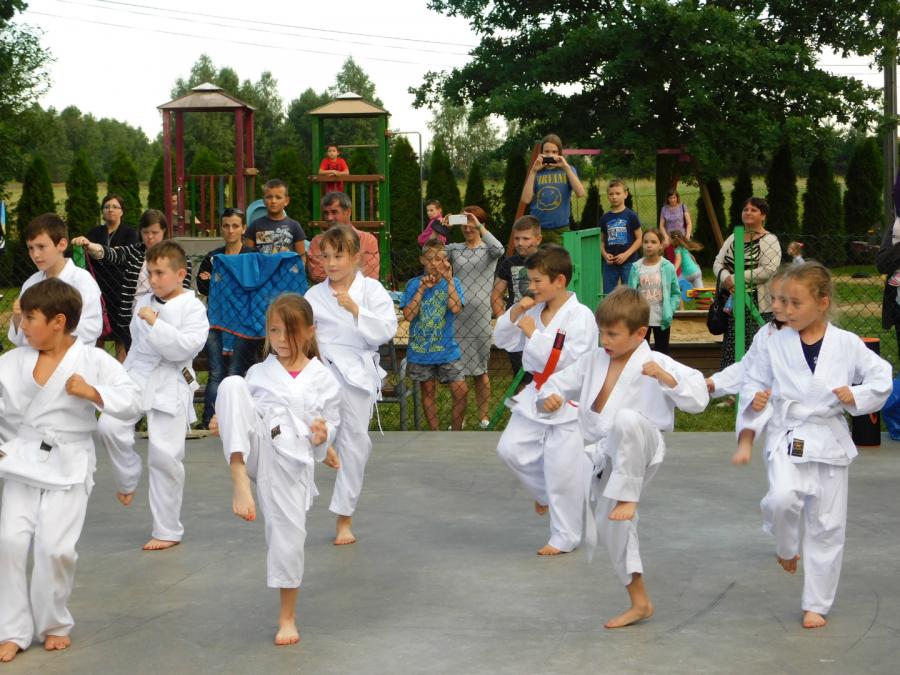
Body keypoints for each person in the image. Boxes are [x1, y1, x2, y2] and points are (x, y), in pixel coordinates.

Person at [538, 287, 708, 628]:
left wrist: (666, 379)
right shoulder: (593, 360)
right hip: (607, 455)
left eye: (612, 334)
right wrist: (549, 399)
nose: (604, 340)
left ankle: (629, 496)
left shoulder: (657, 362)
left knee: (627, 419)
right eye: (601, 332)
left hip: (644, 443)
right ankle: (640, 602)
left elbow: (699, 399)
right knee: (613, 528)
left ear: (640, 333)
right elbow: (554, 384)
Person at [739, 262, 891, 629]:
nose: (786, 311)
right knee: (782, 498)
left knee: (827, 524)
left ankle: (816, 604)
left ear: (822, 303)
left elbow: (881, 376)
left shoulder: (846, 343)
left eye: (796, 304)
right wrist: (756, 400)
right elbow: (753, 378)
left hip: (829, 438)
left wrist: (856, 394)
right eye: (784, 303)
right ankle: (786, 545)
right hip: (789, 433)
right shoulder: (774, 343)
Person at [0, 279, 141, 663]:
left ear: (58, 321)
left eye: (30, 318)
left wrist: (94, 393)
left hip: (69, 461)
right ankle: (11, 629)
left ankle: (54, 622)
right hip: (20, 460)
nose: (23, 325)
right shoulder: (12, 362)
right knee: (10, 542)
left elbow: (132, 400)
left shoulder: (93, 361)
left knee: (55, 548)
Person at [210, 294, 341, 647]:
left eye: (290, 332)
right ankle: (238, 476)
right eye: (274, 331)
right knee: (231, 385)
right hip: (256, 451)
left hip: (290, 462)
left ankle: (287, 617)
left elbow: (329, 424)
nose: (281, 340)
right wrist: (225, 419)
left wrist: (323, 438)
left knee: (289, 539)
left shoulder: (324, 379)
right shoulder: (258, 372)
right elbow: (243, 411)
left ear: (310, 332)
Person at [94, 241, 209, 552]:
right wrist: (121, 377)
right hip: (138, 375)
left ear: (181, 274)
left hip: (171, 379)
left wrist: (157, 324)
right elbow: (136, 348)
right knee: (108, 425)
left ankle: (167, 529)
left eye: (160, 273)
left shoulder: (193, 308)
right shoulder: (143, 301)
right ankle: (128, 473)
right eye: (150, 273)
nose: (153, 279)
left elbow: (184, 348)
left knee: (165, 457)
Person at [493, 244, 598, 555]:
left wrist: (533, 335)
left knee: (562, 469)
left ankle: (565, 536)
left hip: (567, 397)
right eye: (530, 280)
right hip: (536, 392)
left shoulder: (581, 316)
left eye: (538, 280)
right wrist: (517, 312)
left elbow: (573, 362)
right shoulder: (533, 312)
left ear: (560, 281)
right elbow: (502, 340)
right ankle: (543, 494)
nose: (532, 287)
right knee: (510, 449)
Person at [304, 225, 397, 546]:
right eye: (325, 256)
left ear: (356, 257)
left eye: (338, 256)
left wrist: (356, 310)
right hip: (321, 369)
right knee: (306, 427)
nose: (330, 263)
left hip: (356, 373)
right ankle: (323, 444)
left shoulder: (371, 290)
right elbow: (303, 336)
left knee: (356, 444)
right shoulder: (313, 296)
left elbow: (386, 330)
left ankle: (344, 517)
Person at [706, 265, 790, 464]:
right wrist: (715, 383)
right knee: (782, 483)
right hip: (780, 432)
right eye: (773, 299)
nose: (775, 306)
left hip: (825, 441)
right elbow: (747, 368)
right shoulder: (767, 333)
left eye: (785, 301)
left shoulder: (838, 341)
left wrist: (854, 394)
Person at [72, 209, 194, 343]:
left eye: (155, 232)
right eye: (145, 232)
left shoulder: (179, 257)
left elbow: (183, 289)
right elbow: (111, 253)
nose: (150, 237)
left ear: (164, 231)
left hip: (166, 319)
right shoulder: (134, 251)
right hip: (133, 320)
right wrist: (90, 245)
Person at [196, 208, 257, 429]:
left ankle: (237, 422)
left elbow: (254, 288)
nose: (230, 230)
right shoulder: (213, 257)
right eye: (226, 226)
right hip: (215, 322)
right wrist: (212, 282)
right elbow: (202, 286)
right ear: (221, 228)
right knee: (216, 373)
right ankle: (208, 423)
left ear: (243, 228)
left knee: (235, 373)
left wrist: (218, 280)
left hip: (243, 325)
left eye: (235, 226)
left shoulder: (252, 256)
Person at [444, 205, 504, 428]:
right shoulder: (455, 249)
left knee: (480, 370)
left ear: (480, 224)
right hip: (457, 316)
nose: (468, 228)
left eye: (472, 223)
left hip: (480, 317)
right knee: (457, 372)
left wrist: (478, 225)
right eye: (464, 223)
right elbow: (430, 252)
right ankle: (458, 419)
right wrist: (440, 227)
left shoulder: (488, 250)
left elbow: (500, 249)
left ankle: (483, 417)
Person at [401, 238, 468, 431]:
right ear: (422, 260)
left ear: (446, 261)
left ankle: (456, 431)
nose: (434, 264)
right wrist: (422, 289)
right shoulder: (413, 284)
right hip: (422, 350)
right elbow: (408, 315)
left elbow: (455, 308)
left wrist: (449, 280)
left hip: (447, 350)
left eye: (439, 259)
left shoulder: (453, 282)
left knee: (461, 390)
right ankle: (434, 433)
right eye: (430, 259)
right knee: (428, 391)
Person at [9, 214, 102, 348]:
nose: (35, 254)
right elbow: (20, 340)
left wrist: (47, 331)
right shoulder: (31, 283)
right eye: (31, 248)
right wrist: (18, 318)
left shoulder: (82, 281)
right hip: (35, 356)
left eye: (41, 246)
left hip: (72, 356)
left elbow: (92, 328)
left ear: (62, 244)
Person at [712, 197, 782, 369]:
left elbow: (768, 270)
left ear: (763, 216)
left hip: (758, 304)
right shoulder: (733, 237)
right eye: (746, 209)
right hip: (733, 302)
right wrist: (726, 279)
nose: (748, 212)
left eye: (754, 210)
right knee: (734, 346)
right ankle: (731, 383)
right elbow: (718, 262)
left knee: (757, 348)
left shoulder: (769, 240)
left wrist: (735, 278)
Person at [86, 193, 138, 360]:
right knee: (98, 334)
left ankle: (121, 370)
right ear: (102, 211)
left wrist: (104, 254)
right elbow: (88, 258)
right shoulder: (94, 233)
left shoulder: (130, 233)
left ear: (122, 211)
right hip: (98, 290)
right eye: (107, 207)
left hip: (121, 290)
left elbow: (128, 257)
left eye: (115, 207)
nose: (110, 210)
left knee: (120, 337)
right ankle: (97, 368)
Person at [491, 215, 543, 382]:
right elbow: (496, 295)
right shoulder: (509, 263)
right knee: (521, 378)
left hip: (541, 324)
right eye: (516, 238)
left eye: (525, 239)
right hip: (517, 327)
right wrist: (504, 321)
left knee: (543, 373)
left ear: (538, 239)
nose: (520, 243)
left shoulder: (547, 261)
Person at [520, 133, 586, 245]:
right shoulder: (536, 172)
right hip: (537, 229)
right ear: (541, 153)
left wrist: (566, 167)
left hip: (561, 229)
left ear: (560, 153)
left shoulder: (568, 170)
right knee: (538, 257)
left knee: (560, 257)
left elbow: (580, 193)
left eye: (554, 152)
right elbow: (525, 199)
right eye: (546, 151)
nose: (550, 155)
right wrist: (533, 171)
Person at [627, 229, 680, 354]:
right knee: (639, 353)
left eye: (653, 242)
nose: (649, 245)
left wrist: (670, 310)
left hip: (662, 319)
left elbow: (675, 293)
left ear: (661, 245)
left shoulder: (668, 267)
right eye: (645, 242)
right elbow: (629, 295)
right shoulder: (636, 267)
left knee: (662, 353)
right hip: (641, 320)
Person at [306, 191, 380, 283]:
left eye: (334, 212)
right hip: (326, 291)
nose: (329, 218)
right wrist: (351, 272)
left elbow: (371, 276)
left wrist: (334, 273)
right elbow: (317, 274)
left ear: (348, 212)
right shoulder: (317, 242)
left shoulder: (368, 240)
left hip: (360, 291)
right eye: (326, 213)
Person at [243, 179, 307, 259]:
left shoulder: (294, 226)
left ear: (286, 201)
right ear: (264, 200)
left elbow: (301, 258)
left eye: (278, 197)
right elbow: (247, 258)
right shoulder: (255, 226)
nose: (273, 201)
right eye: (269, 197)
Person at [600, 179, 643, 294]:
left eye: (618, 193)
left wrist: (626, 254)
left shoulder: (631, 215)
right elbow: (601, 242)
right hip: (610, 264)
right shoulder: (604, 218)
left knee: (630, 294)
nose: (614, 197)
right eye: (611, 194)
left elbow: (639, 239)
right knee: (608, 295)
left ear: (625, 194)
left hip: (629, 262)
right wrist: (605, 255)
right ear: (608, 196)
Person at [658, 189, 692, 263]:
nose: (672, 200)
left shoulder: (683, 207)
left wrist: (687, 236)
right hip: (670, 238)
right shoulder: (664, 209)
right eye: (670, 198)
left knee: (685, 258)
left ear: (677, 197)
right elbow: (661, 225)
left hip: (682, 237)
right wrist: (666, 237)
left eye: (674, 197)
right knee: (672, 258)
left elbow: (689, 223)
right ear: (667, 199)